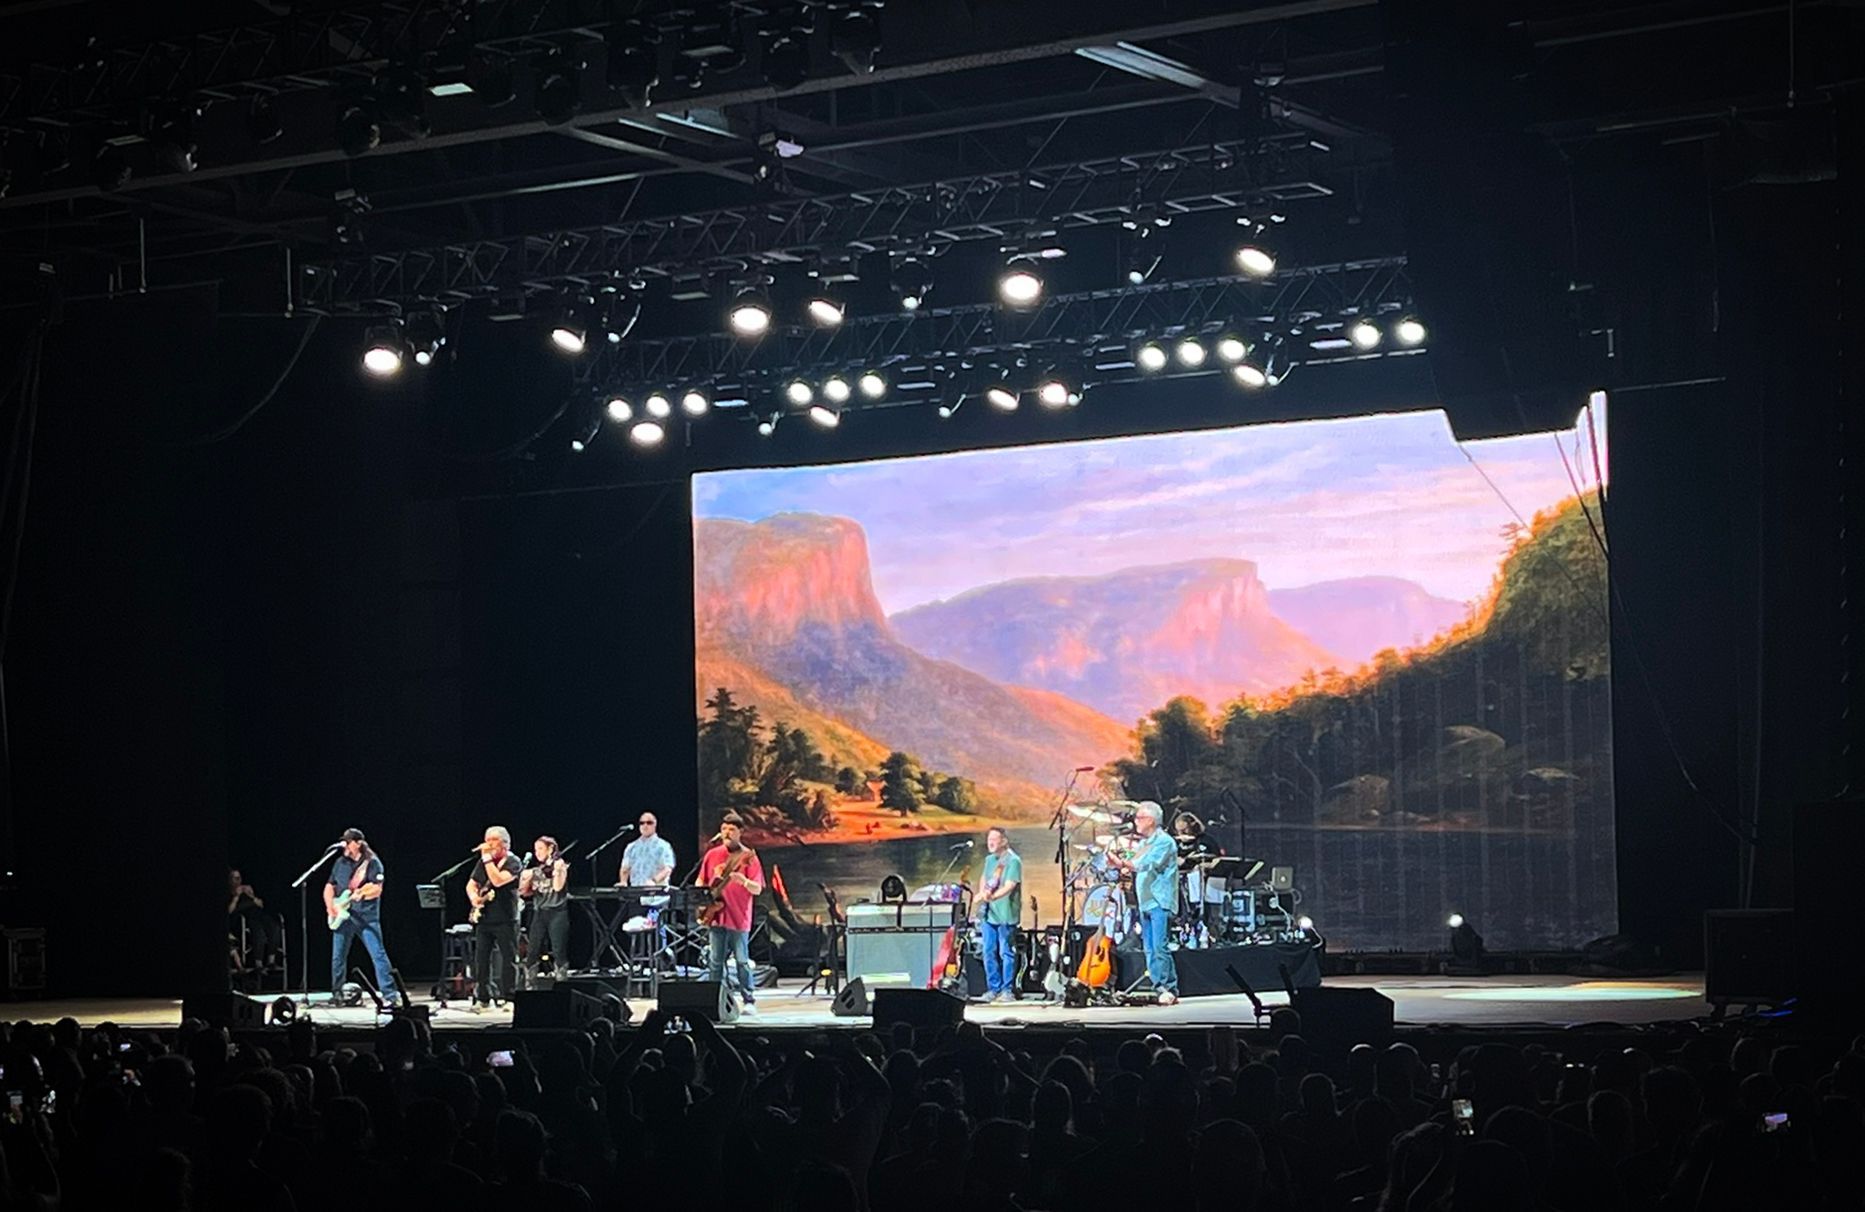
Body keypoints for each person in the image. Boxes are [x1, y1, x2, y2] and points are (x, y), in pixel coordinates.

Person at [1113, 800, 1180, 1005]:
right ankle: (1158, 986)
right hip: (1145, 901)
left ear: (1150, 820)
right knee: (1149, 948)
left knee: (1159, 946)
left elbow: (1147, 863)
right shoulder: (1144, 843)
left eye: (1139, 818)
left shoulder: (1164, 841)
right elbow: (1134, 859)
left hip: (1159, 900)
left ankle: (1168, 987)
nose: (1135, 821)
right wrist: (1120, 859)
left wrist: (1124, 863)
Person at [697, 812, 764, 1013]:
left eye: (732, 829)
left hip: (739, 916)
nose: (727, 833)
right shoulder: (712, 854)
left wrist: (743, 881)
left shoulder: (748, 857)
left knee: (742, 960)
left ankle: (748, 1000)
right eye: (724, 829)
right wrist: (701, 897)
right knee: (715, 961)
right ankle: (713, 999)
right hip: (716, 914)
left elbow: (757, 889)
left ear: (740, 832)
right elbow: (701, 879)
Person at [325, 827, 398, 1002]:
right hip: (343, 915)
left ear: (358, 843)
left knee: (378, 954)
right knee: (338, 957)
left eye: (348, 842)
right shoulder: (340, 863)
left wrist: (362, 895)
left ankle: (390, 994)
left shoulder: (372, 863)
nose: (345, 845)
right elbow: (330, 886)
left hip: (366, 918)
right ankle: (337, 993)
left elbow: (377, 889)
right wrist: (330, 906)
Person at [466, 825, 524, 1009]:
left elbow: (498, 880)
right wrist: (474, 897)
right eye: (487, 840)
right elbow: (471, 884)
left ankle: (509, 997)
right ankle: (483, 997)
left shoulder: (513, 862)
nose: (489, 844)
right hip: (485, 918)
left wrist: (486, 858)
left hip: (506, 918)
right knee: (481, 960)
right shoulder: (484, 862)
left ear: (505, 844)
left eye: (493, 840)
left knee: (508, 959)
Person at [973, 826, 1022, 1003]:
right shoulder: (989, 860)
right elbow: (984, 879)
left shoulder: (1013, 860)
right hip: (989, 914)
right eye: (989, 840)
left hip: (1005, 914)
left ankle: (1007, 990)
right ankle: (993, 988)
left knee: (1005, 952)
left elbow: (1009, 886)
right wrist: (982, 893)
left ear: (1004, 841)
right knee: (988, 951)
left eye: (994, 839)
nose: (991, 843)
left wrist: (992, 896)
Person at [520, 835, 571, 985]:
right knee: (532, 950)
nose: (537, 852)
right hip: (540, 912)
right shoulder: (536, 870)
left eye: (541, 849)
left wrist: (558, 871)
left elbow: (557, 887)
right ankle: (530, 985)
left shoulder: (559, 865)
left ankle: (561, 985)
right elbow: (524, 893)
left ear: (550, 849)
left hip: (557, 912)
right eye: (536, 850)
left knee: (558, 950)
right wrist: (526, 879)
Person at [228, 867, 283, 974]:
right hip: (244, 917)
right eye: (235, 878)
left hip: (258, 913)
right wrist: (236, 896)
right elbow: (230, 911)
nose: (238, 881)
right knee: (258, 932)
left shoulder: (247, 889)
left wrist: (252, 896)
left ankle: (271, 961)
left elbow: (260, 904)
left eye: (239, 878)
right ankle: (259, 964)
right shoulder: (229, 893)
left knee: (275, 927)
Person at [618, 812, 675, 887]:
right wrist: (623, 881)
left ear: (655, 824)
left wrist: (654, 881)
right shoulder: (631, 847)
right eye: (642, 823)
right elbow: (625, 868)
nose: (645, 825)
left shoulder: (663, 846)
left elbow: (668, 868)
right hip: (636, 890)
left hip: (657, 891)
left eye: (649, 823)